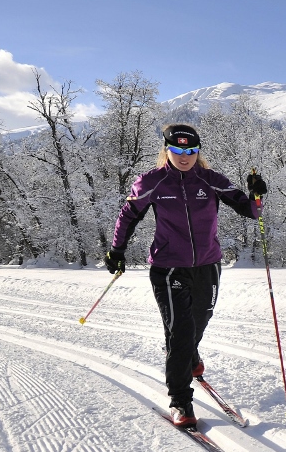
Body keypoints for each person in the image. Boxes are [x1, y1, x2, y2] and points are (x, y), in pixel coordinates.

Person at [105, 123, 266, 428]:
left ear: (197, 151)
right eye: (177, 150)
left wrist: (256, 196)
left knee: (200, 320)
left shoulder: (211, 180)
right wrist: (117, 250)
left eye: (191, 150)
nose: (184, 156)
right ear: (167, 149)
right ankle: (180, 401)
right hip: (168, 268)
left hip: (208, 265)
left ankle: (191, 355)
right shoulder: (152, 182)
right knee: (180, 331)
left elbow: (251, 211)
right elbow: (128, 215)